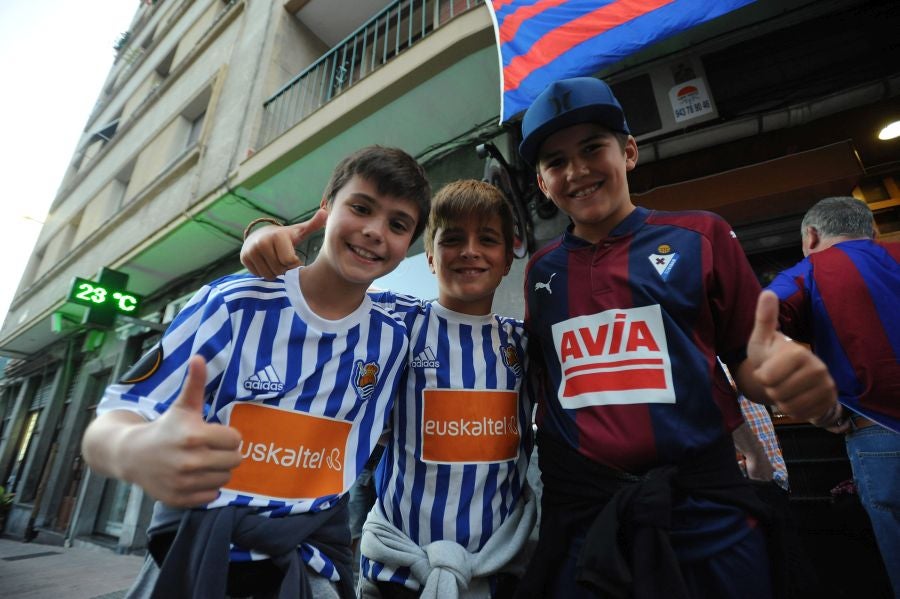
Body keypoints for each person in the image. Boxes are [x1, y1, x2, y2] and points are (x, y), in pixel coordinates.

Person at [514, 76, 838, 599]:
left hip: (707, 510)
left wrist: (779, 376)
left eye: (593, 147)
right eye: (555, 161)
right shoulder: (540, 273)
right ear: (543, 184)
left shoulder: (701, 234)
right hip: (587, 522)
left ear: (630, 152)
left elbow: (746, 360)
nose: (576, 171)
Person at [80, 145, 432, 599]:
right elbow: (109, 424)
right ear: (325, 210)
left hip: (309, 567)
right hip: (198, 554)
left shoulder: (397, 333)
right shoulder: (232, 303)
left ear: (409, 246)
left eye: (397, 224)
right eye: (360, 208)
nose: (373, 231)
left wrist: (260, 231)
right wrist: (136, 448)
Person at [241, 180, 537, 598]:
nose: (470, 250)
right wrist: (263, 231)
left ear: (508, 258)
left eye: (487, 240)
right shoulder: (393, 319)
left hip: (500, 572)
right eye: (453, 239)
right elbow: (316, 291)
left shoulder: (527, 343)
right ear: (431, 257)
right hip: (394, 574)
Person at [766, 195, 900, 596]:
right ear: (872, 230)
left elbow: (758, 323)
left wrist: (814, 404)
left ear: (811, 235)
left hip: (880, 429)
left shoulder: (812, 270)